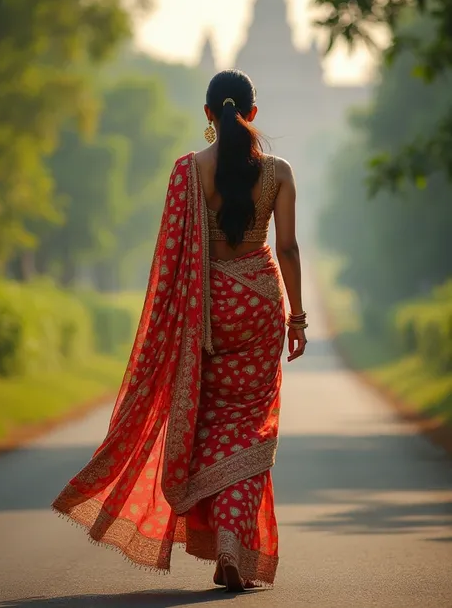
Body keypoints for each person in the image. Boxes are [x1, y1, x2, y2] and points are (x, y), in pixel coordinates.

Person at [52, 69, 307, 591]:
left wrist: (169, 325)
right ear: (252, 114)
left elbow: (170, 260)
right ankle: (233, 544)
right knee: (252, 426)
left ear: (209, 115)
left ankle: (222, 537)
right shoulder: (279, 172)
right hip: (259, 304)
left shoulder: (190, 171)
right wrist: (297, 318)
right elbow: (287, 250)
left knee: (210, 422)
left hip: (208, 311)